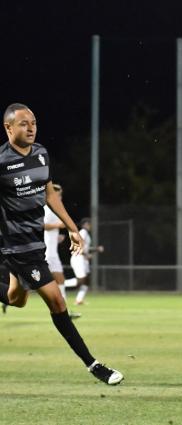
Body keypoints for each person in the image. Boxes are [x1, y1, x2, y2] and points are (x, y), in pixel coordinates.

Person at [0, 103, 123, 384]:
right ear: (8, 128)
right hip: (16, 245)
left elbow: (49, 195)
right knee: (56, 301)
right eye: (23, 123)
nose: (31, 127)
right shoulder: (2, 162)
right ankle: (94, 365)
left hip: (35, 243)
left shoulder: (41, 154)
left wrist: (72, 228)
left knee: (17, 300)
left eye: (33, 122)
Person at [44, 183, 81, 319]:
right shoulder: (47, 208)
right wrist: (57, 225)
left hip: (52, 251)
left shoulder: (54, 208)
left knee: (59, 280)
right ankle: (63, 312)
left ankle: (64, 311)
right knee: (52, 281)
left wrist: (57, 237)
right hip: (48, 252)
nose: (60, 196)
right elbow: (41, 225)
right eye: (58, 194)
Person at [66, 218, 103, 305]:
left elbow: (85, 248)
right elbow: (78, 244)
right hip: (78, 258)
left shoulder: (85, 233)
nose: (90, 226)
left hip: (82, 259)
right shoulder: (83, 232)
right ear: (85, 224)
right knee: (81, 280)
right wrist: (85, 254)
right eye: (89, 224)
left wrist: (95, 250)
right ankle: (61, 283)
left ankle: (79, 300)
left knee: (86, 281)